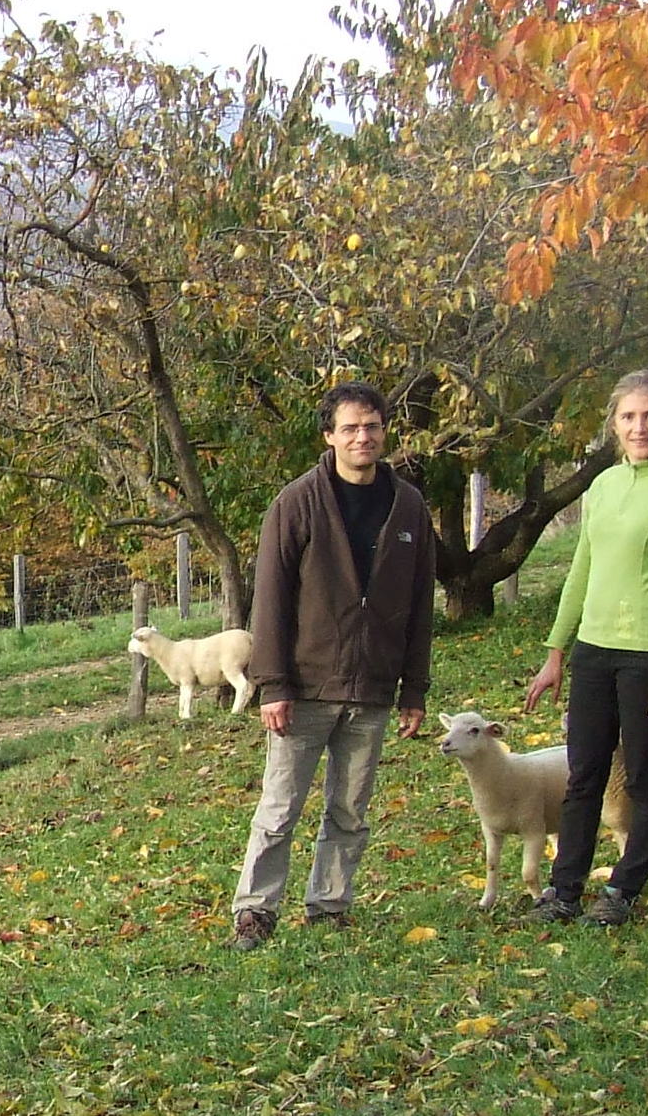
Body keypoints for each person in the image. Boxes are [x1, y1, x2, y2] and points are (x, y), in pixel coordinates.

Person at [230, 381, 435, 950]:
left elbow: (420, 603)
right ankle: (255, 912)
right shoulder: (297, 503)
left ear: (384, 431)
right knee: (279, 808)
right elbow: (269, 600)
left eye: (371, 426)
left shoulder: (409, 507)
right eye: (350, 428)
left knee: (349, 808)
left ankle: (329, 906)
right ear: (329, 436)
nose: (362, 436)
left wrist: (413, 687)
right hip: (303, 685)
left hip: (372, 687)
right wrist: (272, 684)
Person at [520, 370, 648, 928]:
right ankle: (564, 891)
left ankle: (624, 890)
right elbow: (582, 569)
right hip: (593, 652)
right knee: (583, 775)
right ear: (614, 424)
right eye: (628, 417)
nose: (639, 427)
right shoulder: (602, 486)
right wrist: (557, 650)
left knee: (644, 777)